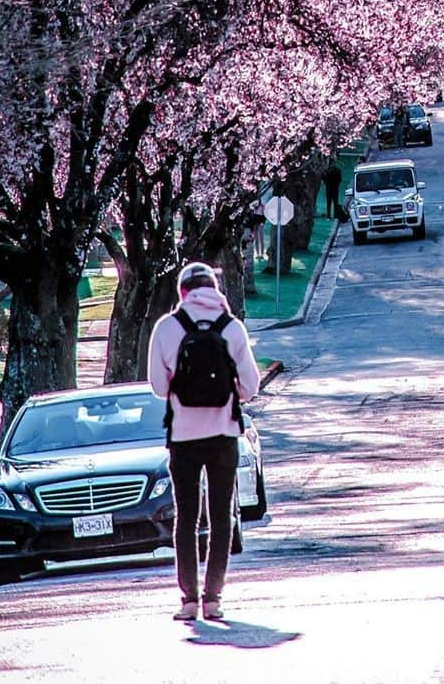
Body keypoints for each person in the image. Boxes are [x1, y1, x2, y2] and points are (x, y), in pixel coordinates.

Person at [148, 262, 260, 623]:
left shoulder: (167, 329)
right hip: (224, 433)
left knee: (186, 518)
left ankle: (188, 600)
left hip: (183, 437)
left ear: (182, 292)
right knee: (222, 516)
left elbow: (158, 387)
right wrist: (228, 394)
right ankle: (213, 598)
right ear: (214, 289)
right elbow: (252, 386)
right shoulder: (232, 328)